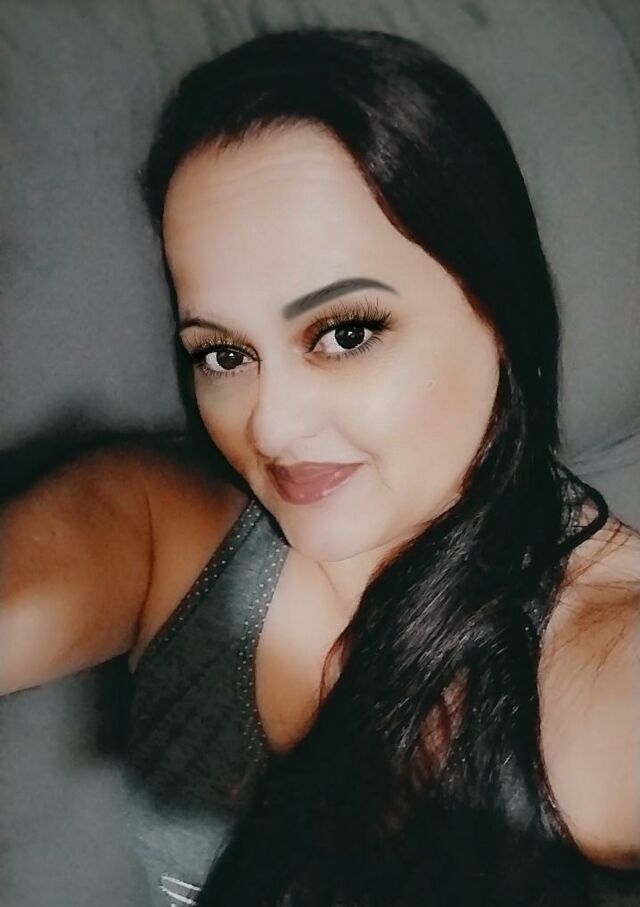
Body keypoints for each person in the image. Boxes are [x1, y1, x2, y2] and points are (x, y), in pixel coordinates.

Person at [2, 25, 639, 907]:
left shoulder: (607, 664)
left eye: (344, 333)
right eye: (224, 353)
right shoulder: (164, 529)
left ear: (496, 310)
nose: (270, 422)